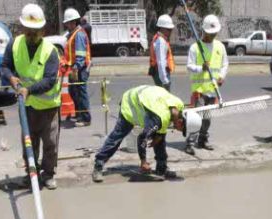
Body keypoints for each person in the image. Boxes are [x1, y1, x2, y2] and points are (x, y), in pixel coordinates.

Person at [0, 3, 61, 190]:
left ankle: (48, 174)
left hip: (48, 107)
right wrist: (12, 79)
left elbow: (50, 80)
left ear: (42, 30)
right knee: (29, 142)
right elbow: (5, 66)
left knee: (50, 144)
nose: (33, 33)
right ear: (22, 28)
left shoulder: (50, 51)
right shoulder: (15, 44)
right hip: (26, 107)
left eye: (36, 30)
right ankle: (31, 174)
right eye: (29, 29)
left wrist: (28, 90)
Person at [91, 85, 202, 182]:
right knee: (117, 137)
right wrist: (143, 161)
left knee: (160, 139)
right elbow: (142, 138)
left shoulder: (179, 106)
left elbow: (161, 127)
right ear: (181, 121)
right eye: (181, 130)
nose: (178, 131)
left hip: (147, 99)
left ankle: (161, 169)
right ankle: (98, 165)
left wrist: (158, 136)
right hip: (130, 104)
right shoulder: (159, 117)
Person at [185, 14, 228, 155]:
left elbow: (224, 64)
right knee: (196, 118)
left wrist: (221, 76)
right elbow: (189, 66)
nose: (213, 36)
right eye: (210, 34)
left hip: (213, 90)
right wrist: (201, 68)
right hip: (199, 90)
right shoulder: (195, 47)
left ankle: (202, 140)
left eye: (214, 33)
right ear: (203, 31)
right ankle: (190, 143)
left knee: (207, 119)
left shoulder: (220, 46)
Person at [62, 8, 91, 127]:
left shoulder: (78, 34)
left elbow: (80, 54)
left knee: (81, 92)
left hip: (80, 68)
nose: (67, 25)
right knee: (74, 92)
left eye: (68, 22)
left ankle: (85, 118)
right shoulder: (73, 34)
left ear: (73, 22)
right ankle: (79, 114)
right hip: (75, 67)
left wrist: (76, 68)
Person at [149, 14, 175, 90]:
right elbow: (161, 62)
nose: (170, 32)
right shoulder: (161, 41)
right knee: (164, 99)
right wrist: (165, 81)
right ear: (162, 28)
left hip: (159, 73)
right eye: (169, 29)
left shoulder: (159, 39)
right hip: (161, 75)